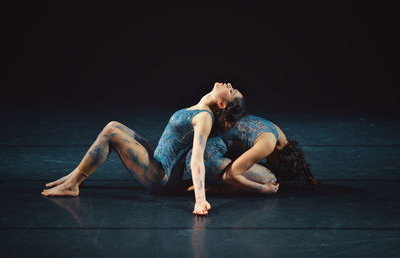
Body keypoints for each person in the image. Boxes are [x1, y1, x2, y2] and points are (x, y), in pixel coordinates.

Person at [41, 82, 246, 215]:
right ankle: (73, 177)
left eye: (231, 91)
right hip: (157, 158)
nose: (229, 85)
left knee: (111, 131)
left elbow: (197, 158)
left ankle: (72, 185)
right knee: (114, 125)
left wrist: (200, 201)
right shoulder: (201, 109)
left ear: (221, 104)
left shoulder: (204, 117)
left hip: (160, 176)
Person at [184, 114, 320, 194]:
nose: (266, 161)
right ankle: (213, 188)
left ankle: (208, 182)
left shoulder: (278, 134)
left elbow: (295, 158)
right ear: (279, 160)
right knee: (270, 178)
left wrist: (307, 176)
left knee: (248, 164)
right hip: (200, 161)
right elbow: (230, 175)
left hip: (196, 152)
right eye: (271, 162)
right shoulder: (267, 145)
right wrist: (263, 189)